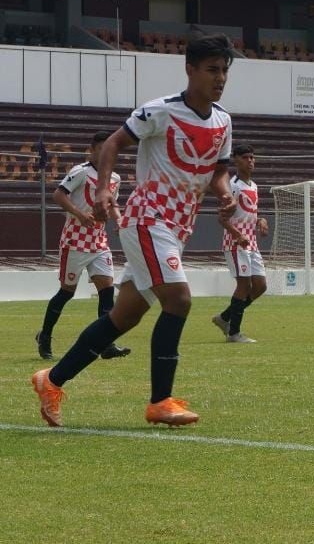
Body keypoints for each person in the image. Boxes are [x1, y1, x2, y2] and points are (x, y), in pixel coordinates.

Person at [31, 33, 237, 427]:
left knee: (123, 317)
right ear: (190, 69)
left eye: (224, 70)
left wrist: (224, 193)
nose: (220, 78)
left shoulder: (223, 120)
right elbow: (112, 144)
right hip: (148, 218)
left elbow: (218, 171)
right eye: (212, 70)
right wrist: (106, 189)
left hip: (177, 227)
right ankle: (160, 401)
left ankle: (51, 380)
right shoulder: (160, 111)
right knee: (178, 300)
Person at [35, 130, 131, 361]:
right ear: (92, 150)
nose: (105, 153)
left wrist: (119, 220)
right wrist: (80, 214)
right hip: (75, 240)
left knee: (107, 291)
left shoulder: (114, 178)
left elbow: (112, 204)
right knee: (66, 292)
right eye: (100, 149)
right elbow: (59, 195)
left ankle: (106, 344)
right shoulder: (81, 172)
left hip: (99, 241)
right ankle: (45, 335)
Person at [211, 144, 267, 343]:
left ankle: (224, 317)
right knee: (244, 284)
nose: (250, 161)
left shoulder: (254, 186)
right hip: (236, 243)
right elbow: (222, 218)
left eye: (252, 157)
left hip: (251, 243)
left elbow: (250, 212)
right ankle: (234, 333)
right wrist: (237, 235)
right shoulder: (232, 186)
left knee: (260, 286)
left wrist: (260, 220)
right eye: (245, 157)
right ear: (235, 159)